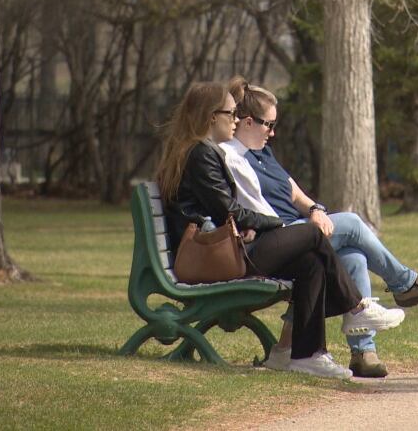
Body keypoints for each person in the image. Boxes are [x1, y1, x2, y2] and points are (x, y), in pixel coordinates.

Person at [155, 81, 405, 379]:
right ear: (211, 117)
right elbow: (230, 212)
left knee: (311, 263)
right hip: (218, 260)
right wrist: (275, 224)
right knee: (313, 233)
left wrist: (250, 226)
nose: (235, 120)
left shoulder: (200, 152)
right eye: (231, 114)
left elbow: (222, 212)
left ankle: (306, 355)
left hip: (224, 251)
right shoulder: (200, 154)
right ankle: (355, 308)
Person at [220, 77, 418, 378]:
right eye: (268, 125)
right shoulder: (234, 157)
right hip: (280, 240)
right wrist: (305, 224)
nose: (273, 132)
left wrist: (317, 210)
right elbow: (244, 210)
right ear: (248, 122)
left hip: (298, 229)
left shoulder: (262, 152)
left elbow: (294, 193)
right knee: (354, 224)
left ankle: (361, 352)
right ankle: (405, 284)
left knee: (355, 257)